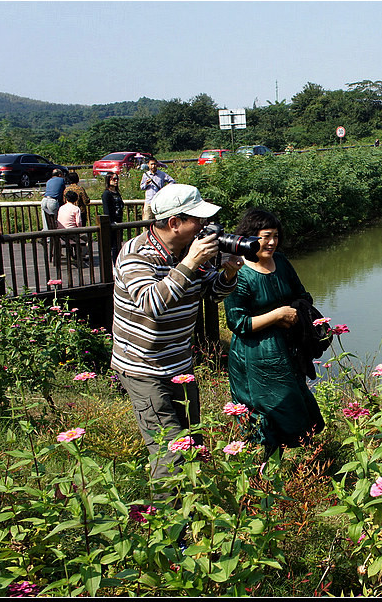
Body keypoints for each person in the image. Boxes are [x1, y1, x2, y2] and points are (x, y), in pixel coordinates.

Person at [111, 184, 243, 497]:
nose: (205, 227)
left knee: (190, 443)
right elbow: (152, 304)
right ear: (175, 223)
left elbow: (210, 293)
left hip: (180, 366)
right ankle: (170, 538)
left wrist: (226, 274)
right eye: (198, 220)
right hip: (144, 369)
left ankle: (192, 515)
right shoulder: (135, 256)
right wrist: (191, 263)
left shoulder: (188, 253)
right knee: (169, 454)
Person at [224, 208, 325, 459]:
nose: (271, 242)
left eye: (276, 236)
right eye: (265, 236)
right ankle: (265, 469)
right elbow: (237, 322)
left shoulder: (280, 261)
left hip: (287, 350)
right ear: (248, 238)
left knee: (296, 404)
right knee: (266, 411)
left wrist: (296, 313)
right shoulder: (239, 272)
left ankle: (300, 469)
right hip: (254, 357)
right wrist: (277, 316)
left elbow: (302, 295)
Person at [56, 190, 89, 262]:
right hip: (72, 232)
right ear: (76, 199)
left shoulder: (61, 208)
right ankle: (81, 255)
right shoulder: (76, 209)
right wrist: (80, 229)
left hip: (60, 233)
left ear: (66, 199)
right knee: (87, 238)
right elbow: (78, 222)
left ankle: (75, 255)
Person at [102, 174, 125, 263]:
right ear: (108, 180)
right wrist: (110, 222)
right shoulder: (106, 194)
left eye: (117, 179)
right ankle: (114, 264)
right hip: (112, 223)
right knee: (113, 245)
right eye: (114, 179)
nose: (116, 181)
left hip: (119, 221)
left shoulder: (117, 193)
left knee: (118, 244)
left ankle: (118, 262)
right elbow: (106, 210)